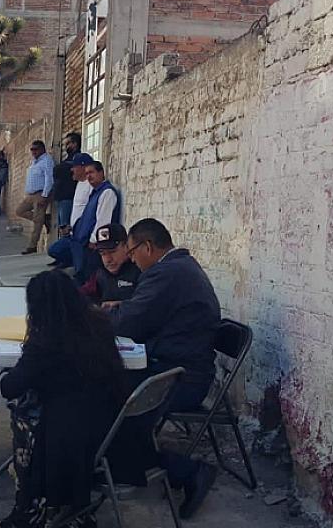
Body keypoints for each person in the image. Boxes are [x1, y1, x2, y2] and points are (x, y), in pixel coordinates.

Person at [106, 218, 222, 519]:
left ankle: (186, 471)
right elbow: (142, 315)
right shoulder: (180, 267)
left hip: (181, 377)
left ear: (147, 246)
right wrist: (118, 309)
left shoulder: (167, 273)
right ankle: (120, 464)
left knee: (114, 411)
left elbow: (131, 323)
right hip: (175, 365)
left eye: (132, 252)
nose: (131, 259)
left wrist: (95, 319)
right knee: (107, 393)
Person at [0, 270, 128, 528]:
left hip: (71, 437)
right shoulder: (98, 324)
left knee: (23, 414)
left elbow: (9, 387)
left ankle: (28, 509)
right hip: (112, 425)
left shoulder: (46, 341)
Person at [47, 154, 94, 267]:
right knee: (54, 249)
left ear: (83, 167)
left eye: (74, 167)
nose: (72, 170)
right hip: (73, 231)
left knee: (56, 250)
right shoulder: (79, 184)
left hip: (81, 234)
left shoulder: (90, 186)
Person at [79, 224, 142, 304]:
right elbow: (80, 296)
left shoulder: (140, 270)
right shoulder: (99, 274)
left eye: (112, 252)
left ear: (126, 247)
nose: (108, 259)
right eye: (103, 253)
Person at [16, 140, 54, 255]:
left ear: (42, 149)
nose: (33, 152)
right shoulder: (34, 162)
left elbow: (49, 178)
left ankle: (32, 246)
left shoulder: (46, 161)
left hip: (40, 194)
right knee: (20, 211)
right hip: (30, 194)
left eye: (35, 149)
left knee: (37, 222)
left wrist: (45, 195)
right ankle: (44, 219)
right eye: (31, 149)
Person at [52, 133, 83, 230]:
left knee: (66, 229)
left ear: (75, 144)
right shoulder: (68, 159)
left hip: (68, 198)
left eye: (68, 143)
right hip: (61, 198)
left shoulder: (78, 158)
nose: (66, 146)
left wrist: (60, 169)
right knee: (62, 228)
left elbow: (60, 170)